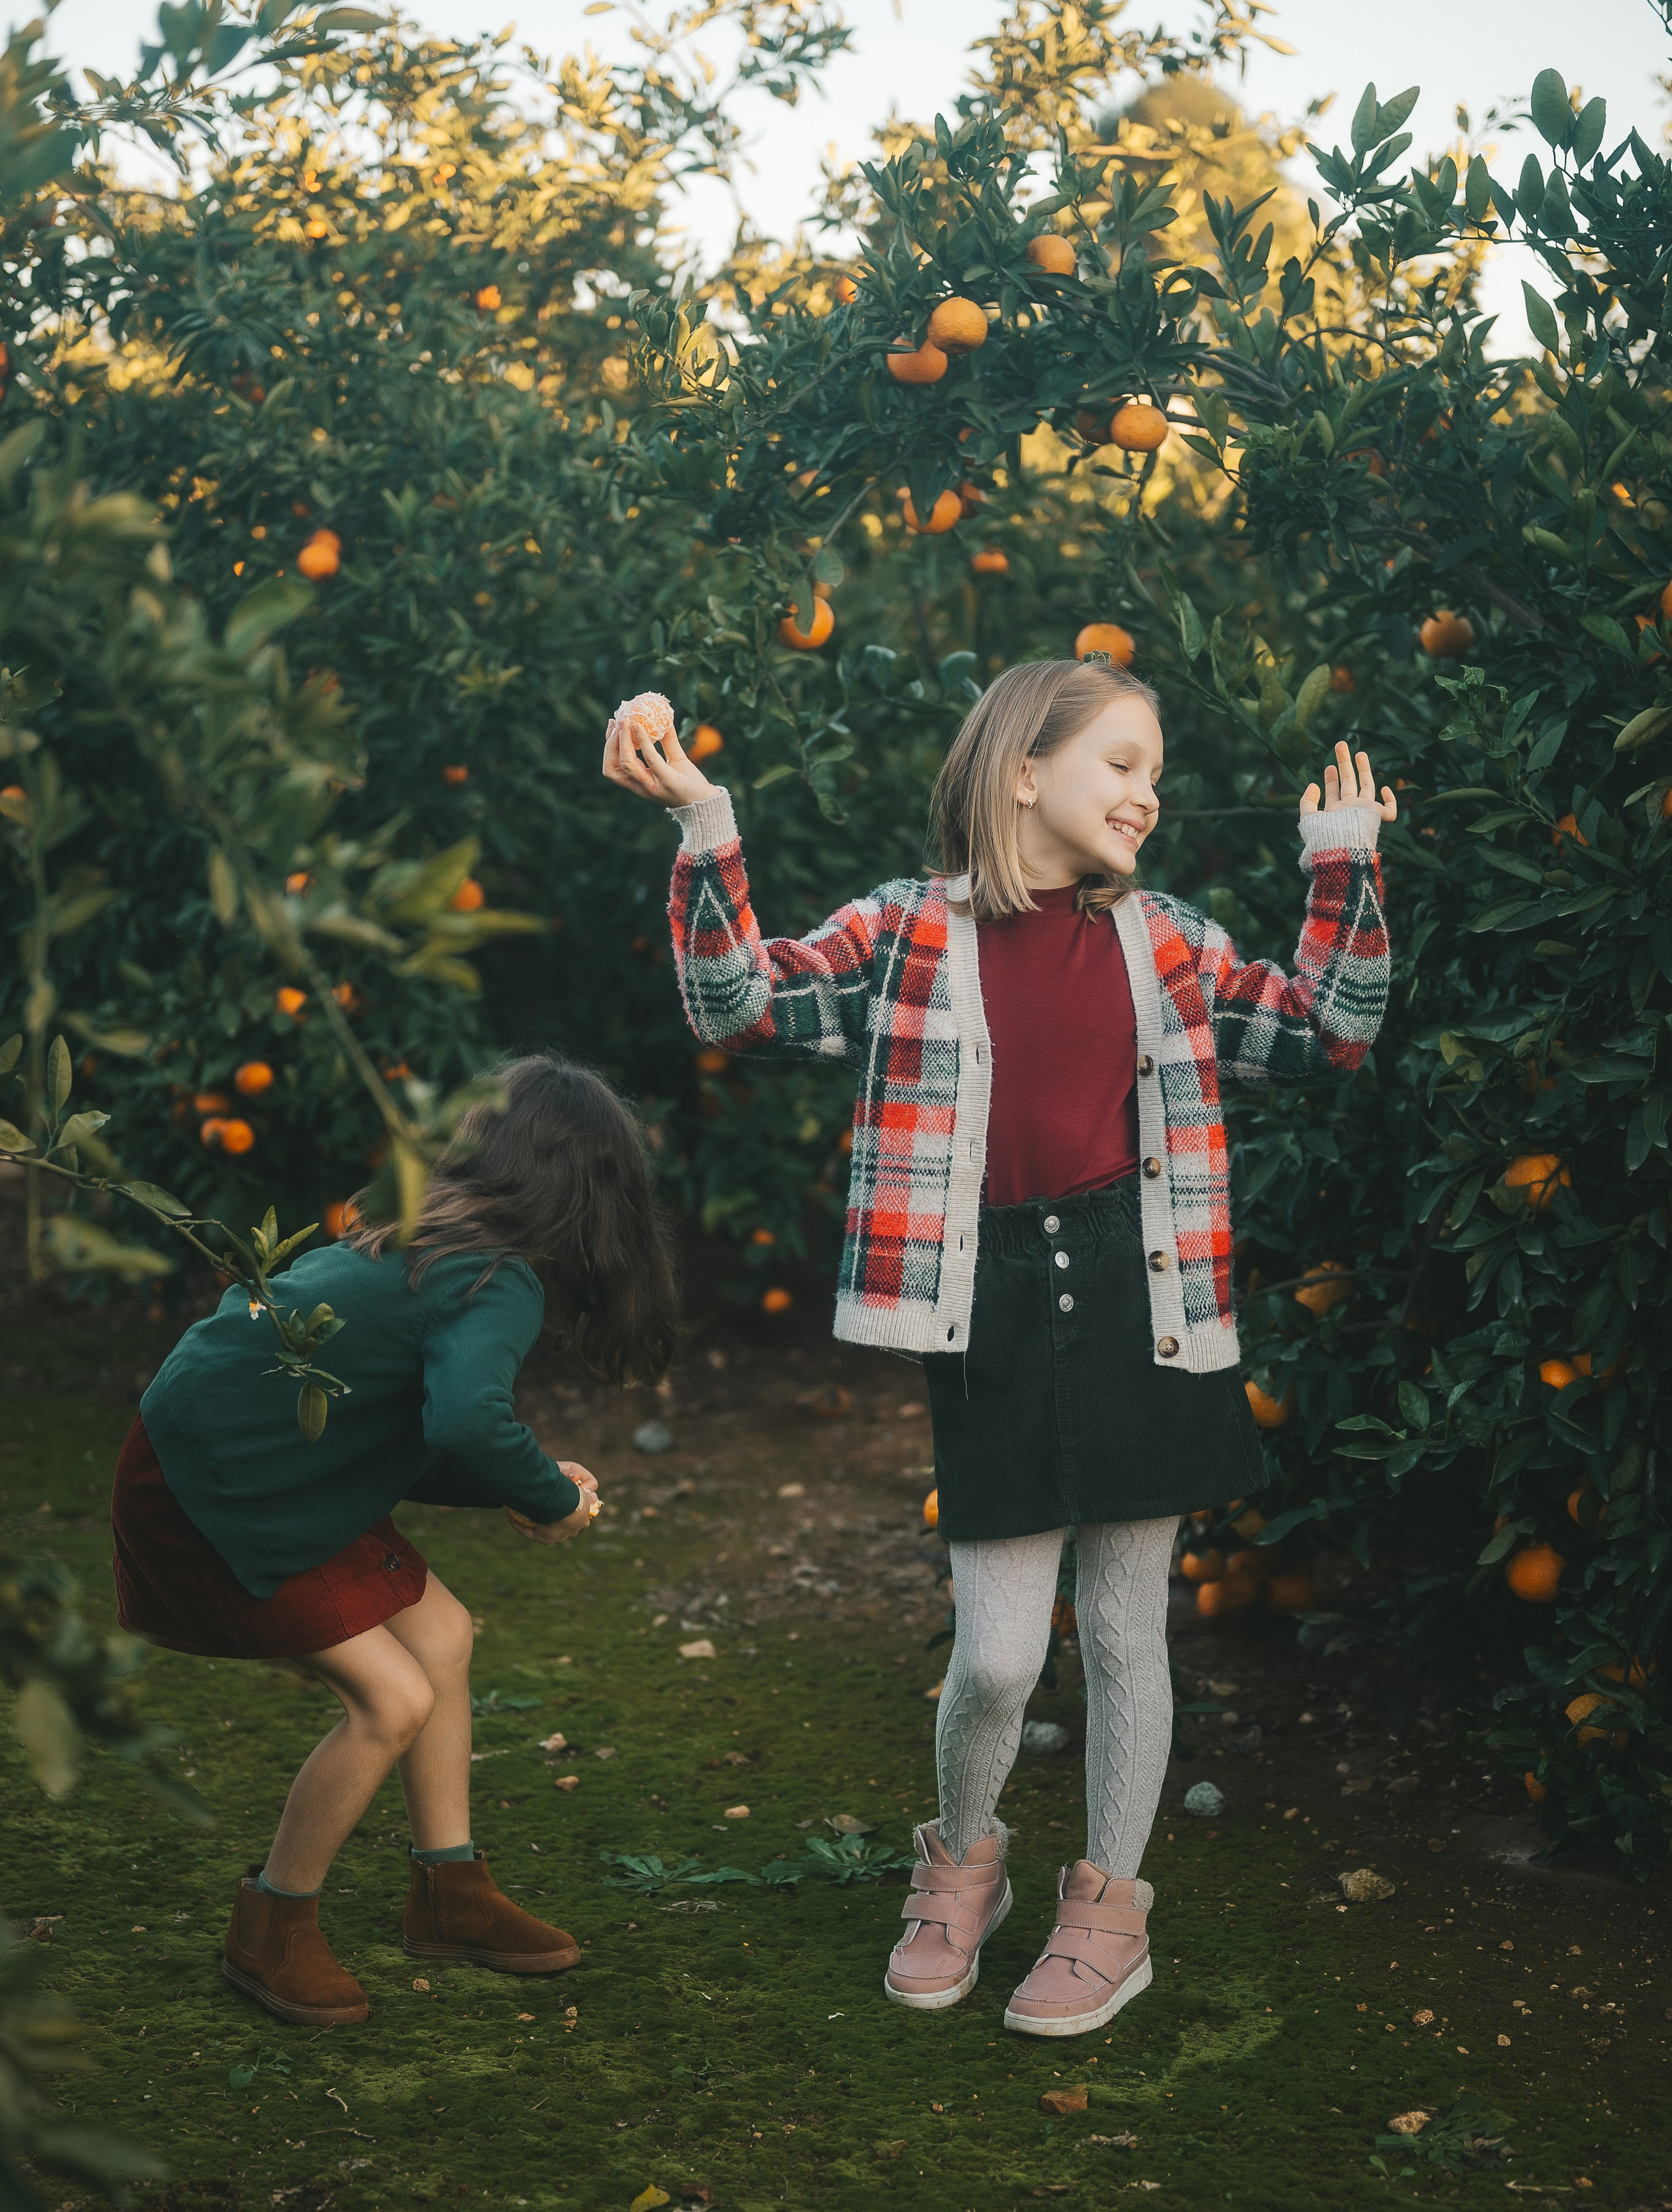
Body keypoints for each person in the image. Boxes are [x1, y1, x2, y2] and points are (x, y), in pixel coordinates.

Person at [604, 655, 1392, 2041]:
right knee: (995, 1659)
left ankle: (1110, 1907)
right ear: (1023, 770)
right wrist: (703, 824)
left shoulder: (1168, 940)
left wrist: (1343, 865)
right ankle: (963, 1861)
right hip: (993, 1306)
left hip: (1149, 1293)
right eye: (1122, 764)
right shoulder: (907, 928)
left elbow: (1327, 1034)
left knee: (1128, 1632)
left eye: (1155, 774)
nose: (1147, 796)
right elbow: (737, 1004)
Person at [111, 1053, 679, 2028]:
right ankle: (272, 1925)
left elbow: (398, 1431)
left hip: (258, 1464)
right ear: (595, 1196)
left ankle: (449, 1892)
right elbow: (465, 1422)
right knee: (392, 1700)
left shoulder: (422, 1240)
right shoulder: (497, 1279)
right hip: (219, 1490)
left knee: (442, 1634)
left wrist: (521, 1487)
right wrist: (550, 1498)